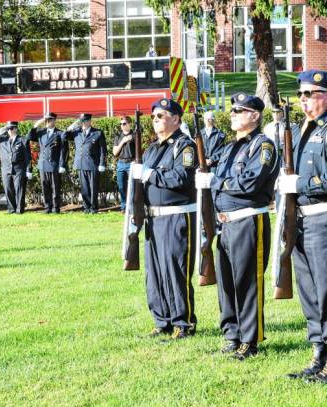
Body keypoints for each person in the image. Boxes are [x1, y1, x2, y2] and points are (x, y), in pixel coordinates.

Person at [277, 70, 327, 383]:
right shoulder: (303, 130)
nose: (303, 99)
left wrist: (298, 183)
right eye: (301, 94)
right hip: (302, 218)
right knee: (309, 290)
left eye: (310, 93)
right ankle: (319, 353)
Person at [195, 93, 279, 360]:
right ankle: (232, 333)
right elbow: (219, 175)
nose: (232, 114)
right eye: (232, 111)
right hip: (226, 224)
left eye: (238, 111)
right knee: (227, 283)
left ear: (254, 115)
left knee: (247, 282)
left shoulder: (263, 146)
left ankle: (250, 339)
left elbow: (250, 183)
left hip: (248, 220)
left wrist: (217, 183)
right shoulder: (231, 147)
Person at [131, 99, 198, 339]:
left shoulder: (185, 146)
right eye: (154, 117)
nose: (156, 120)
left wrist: (149, 174)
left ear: (176, 118)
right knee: (155, 272)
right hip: (153, 218)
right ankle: (162, 320)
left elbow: (181, 178)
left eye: (161, 115)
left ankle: (184, 322)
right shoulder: (151, 149)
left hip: (176, 216)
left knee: (175, 270)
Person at [64, 113, 107, 214]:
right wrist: (69, 128)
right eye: (81, 121)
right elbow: (63, 137)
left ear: (89, 121)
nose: (83, 123)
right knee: (84, 188)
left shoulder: (98, 133)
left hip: (93, 164)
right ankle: (86, 207)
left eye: (85, 121)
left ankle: (94, 208)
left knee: (93, 187)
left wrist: (102, 163)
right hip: (81, 164)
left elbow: (103, 150)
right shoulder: (76, 132)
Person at [27, 113, 67, 213]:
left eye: (50, 120)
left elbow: (64, 151)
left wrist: (62, 164)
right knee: (45, 188)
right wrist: (36, 125)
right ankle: (47, 207)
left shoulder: (59, 133)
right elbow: (29, 137)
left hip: (54, 165)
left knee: (55, 188)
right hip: (43, 164)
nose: (47, 122)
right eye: (46, 120)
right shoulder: (41, 133)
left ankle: (56, 208)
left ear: (54, 121)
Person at [0, 121, 32, 214]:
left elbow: (27, 157)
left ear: (16, 129)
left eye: (12, 128)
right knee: (8, 189)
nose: (10, 130)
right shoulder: (2, 139)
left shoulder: (22, 140)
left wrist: (29, 169)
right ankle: (11, 209)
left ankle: (19, 209)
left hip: (19, 168)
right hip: (6, 168)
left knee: (19, 189)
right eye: (8, 128)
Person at [113, 115, 135, 212]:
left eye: (124, 123)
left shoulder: (134, 135)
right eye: (121, 124)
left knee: (132, 186)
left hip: (131, 163)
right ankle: (123, 206)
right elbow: (115, 152)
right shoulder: (118, 136)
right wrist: (123, 141)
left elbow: (139, 150)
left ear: (129, 124)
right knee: (121, 186)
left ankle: (132, 206)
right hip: (121, 163)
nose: (122, 125)